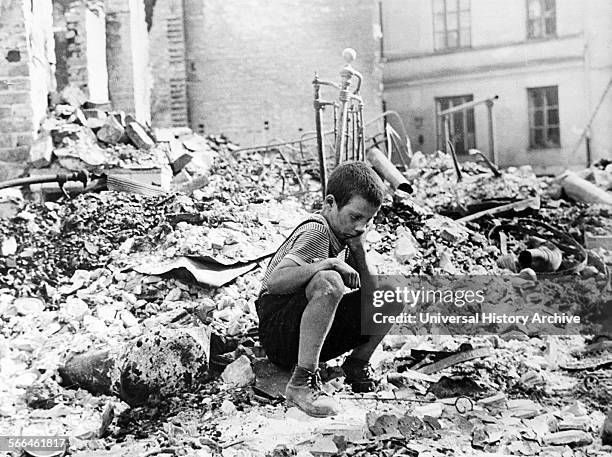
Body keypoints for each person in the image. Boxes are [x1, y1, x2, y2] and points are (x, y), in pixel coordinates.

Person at [255, 161, 386, 417]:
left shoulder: (347, 238)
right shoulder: (317, 230)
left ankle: (357, 366)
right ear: (330, 203)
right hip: (278, 331)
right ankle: (301, 384)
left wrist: (359, 249)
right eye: (355, 217)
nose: (360, 226)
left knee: (390, 295)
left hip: (307, 335)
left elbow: (373, 296)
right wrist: (327, 263)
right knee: (329, 281)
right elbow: (275, 282)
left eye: (368, 221)